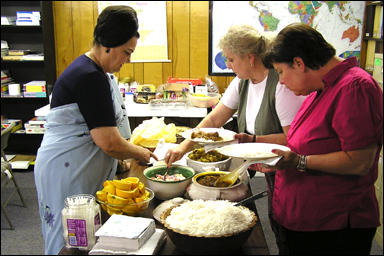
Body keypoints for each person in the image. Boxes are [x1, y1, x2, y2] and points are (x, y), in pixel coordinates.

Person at [164, 24, 306, 254]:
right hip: (266, 168)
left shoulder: (281, 84)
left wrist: (253, 139)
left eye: (230, 59)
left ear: (250, 58)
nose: (228, 65)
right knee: (274, 219)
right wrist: (184, 145)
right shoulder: (243, 81)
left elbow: (293, 137)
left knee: (285, 229)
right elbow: (214, 119)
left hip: (289, 171)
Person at [34, 6, 157, 255]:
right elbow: (108, 142)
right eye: (127, 52)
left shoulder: (98, 72)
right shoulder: (89, 76)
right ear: (109, 44)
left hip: (74, 166)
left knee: (85, 235)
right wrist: (141, 154)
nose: (129, 60)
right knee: (70, 240)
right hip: (66, 169)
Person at [260, 23, 383, 255]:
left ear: (299, 63)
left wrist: (298, 162)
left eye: (280, 72)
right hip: (305, 217)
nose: (282, 81)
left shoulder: (355, 87)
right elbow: (309, 143)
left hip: (332, 226)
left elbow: (359, 162)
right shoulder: (322, 88)